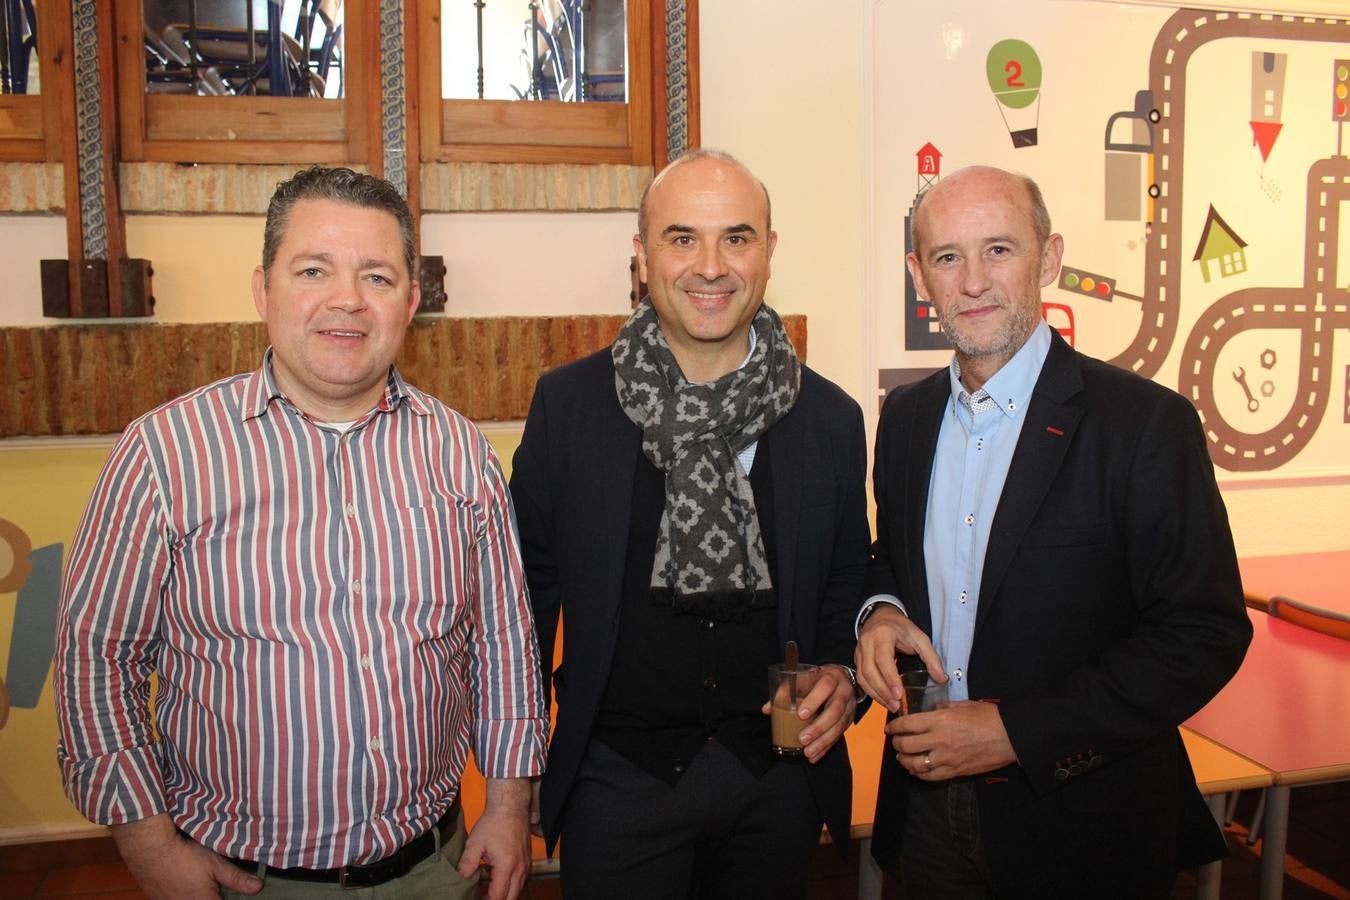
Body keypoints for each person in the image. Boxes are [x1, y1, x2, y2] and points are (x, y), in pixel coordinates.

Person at [54, 166, 547, 900]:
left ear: (410, 301)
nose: (347, 299)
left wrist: (507, 806)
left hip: (437, 869)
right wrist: (150, 847)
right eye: (313, 270)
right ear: (263, 289)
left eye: (377, 276)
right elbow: (98, 660)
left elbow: (503, 642)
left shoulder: (459, 452)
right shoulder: (164, 454)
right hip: (243, 880)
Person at [857, 165, 1252, 899]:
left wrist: (1017, 732)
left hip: (1086, 824)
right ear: (919, 276)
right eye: (948, 257)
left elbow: (1204, 633)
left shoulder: (1144, 424)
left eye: (999, 249)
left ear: (1050, 258)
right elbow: (894, 562)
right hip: (928, 813)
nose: (974, 281)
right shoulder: (905, 419)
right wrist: (880, 612)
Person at [509, 149, 870, 897]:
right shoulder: (568, 408)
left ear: (768, 252)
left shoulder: (831, 419)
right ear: (642, 256)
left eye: (736, 237)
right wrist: (517, 774)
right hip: (617, 786)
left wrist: (842, 672)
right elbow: (524, 601)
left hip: (779, 785)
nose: (711, 265)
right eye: (682, 238)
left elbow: (845, 581)